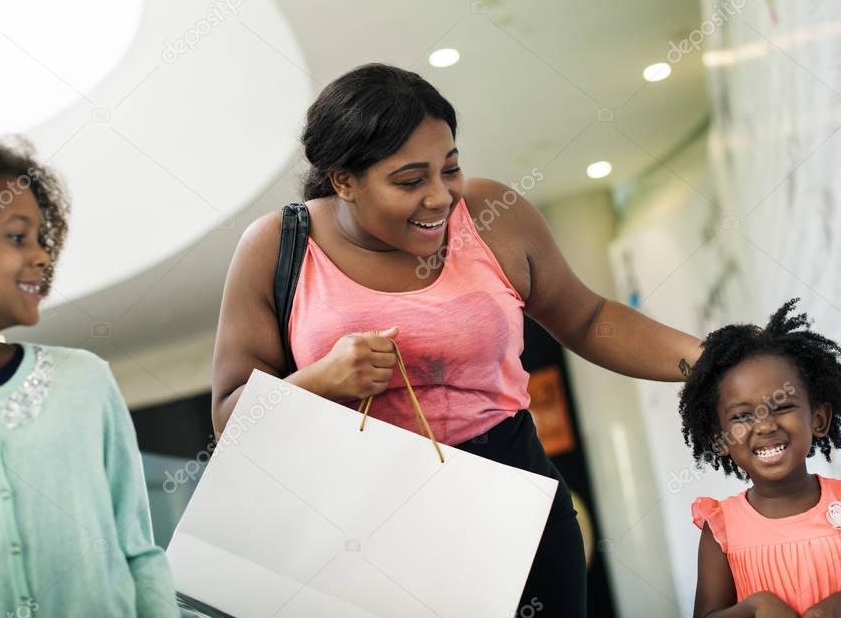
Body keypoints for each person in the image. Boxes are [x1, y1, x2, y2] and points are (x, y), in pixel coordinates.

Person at [212, 63, 703, 616]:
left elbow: (588, 319)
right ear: (343, 180)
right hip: (364, 525)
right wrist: (322, 380)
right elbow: (232, 418)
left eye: (450, 169)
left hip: (514, 496)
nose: (440, 197)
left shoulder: (493, 216)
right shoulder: (278, 246)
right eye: (409, 181)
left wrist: (713, 363)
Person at [0, 132, 179, 617]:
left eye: (42, 238)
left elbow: (139, 553)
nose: (42, 256)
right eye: (17, 237)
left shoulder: (86, 381)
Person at [680, 299, 841, 618]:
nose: (765, 425)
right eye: (743, 415)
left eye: (783, 406)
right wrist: (754, 607)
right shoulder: (721, 529)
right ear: (719, 438)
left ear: (818, 420)